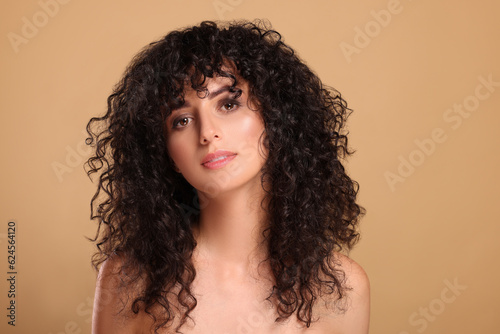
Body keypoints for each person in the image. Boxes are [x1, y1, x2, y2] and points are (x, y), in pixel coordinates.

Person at [86, 20, 369, 334]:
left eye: (229, 104)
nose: (207, 133)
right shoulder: (129, 280)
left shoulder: (343, 288)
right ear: (166, 154)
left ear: (275, 119)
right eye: (181, 120)